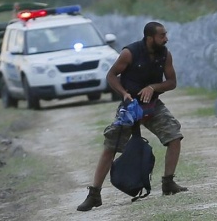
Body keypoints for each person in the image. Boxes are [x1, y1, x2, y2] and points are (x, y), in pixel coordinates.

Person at [77, 21, 188, 212]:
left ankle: (168, 183)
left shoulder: (165, 55)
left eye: (165, 34)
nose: (166, 38)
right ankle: (94, 194)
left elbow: (171, 82)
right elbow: (111, 76)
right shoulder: (130, 53)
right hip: (130, 106)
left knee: (174, 136)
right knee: (111, 146)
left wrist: (153, 87)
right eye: (162, 35)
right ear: (150, 37)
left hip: (152, 105)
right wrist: (124, 93)